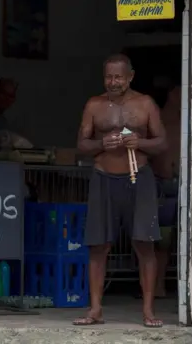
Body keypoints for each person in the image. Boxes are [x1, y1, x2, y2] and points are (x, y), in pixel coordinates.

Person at [73, 54, 167, 328]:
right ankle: (95, 310)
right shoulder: (94, 105)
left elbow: (162, 142)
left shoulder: (145, 104)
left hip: (140, 178)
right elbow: (82, 144)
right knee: (98, 246)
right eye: (108, 77)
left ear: (131, 76)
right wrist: (103, 143)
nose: (113, 82)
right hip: (103, 177)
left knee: (144, 244)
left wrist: (140, 142)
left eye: (118, 77)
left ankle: (148, 312)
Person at [150, 76, 181, 298]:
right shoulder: (155, 119)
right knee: (160, 240)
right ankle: (155, 286)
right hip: (160, 186)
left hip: (186, 186)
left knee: (182, 240)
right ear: (172, 93)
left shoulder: (189, 120)